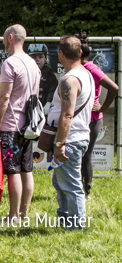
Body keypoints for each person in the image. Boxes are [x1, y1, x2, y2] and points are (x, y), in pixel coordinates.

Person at [0, 24, 40, 222]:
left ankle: (13, 216)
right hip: (29, 125)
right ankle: (24, 214)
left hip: (11, 125)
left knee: (13, 172)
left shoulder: (10, 63)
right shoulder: (33, 64)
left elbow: (4, 97)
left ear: (10, 37)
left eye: (4, 37)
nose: (3, 41)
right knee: (27, 170)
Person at [48, 35, 94, 230]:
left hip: (70, 140)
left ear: (61, 54)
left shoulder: (70, 80)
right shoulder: (87, 74)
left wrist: (60, 144)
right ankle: (67, 222)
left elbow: (67, 115)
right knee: (60, 183)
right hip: (78, 136)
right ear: (80, 52)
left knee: (71, 185)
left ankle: (76, 227)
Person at [76, 32, 119, 200]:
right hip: (79, 119)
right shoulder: (76, 69)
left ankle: (86, 193)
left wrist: (102, 107)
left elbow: (114, 88)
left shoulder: (91, 68)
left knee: (86, 155)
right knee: (77, 155)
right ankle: (76, 189)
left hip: (92, 120)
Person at [29, 44, 60, 108]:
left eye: (40, 57)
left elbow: (53, 89)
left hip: (43, 106)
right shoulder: (24, 71)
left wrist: (48, 102)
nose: (37, 60)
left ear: (45, 58)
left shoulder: (49, 73)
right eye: (34, 57)